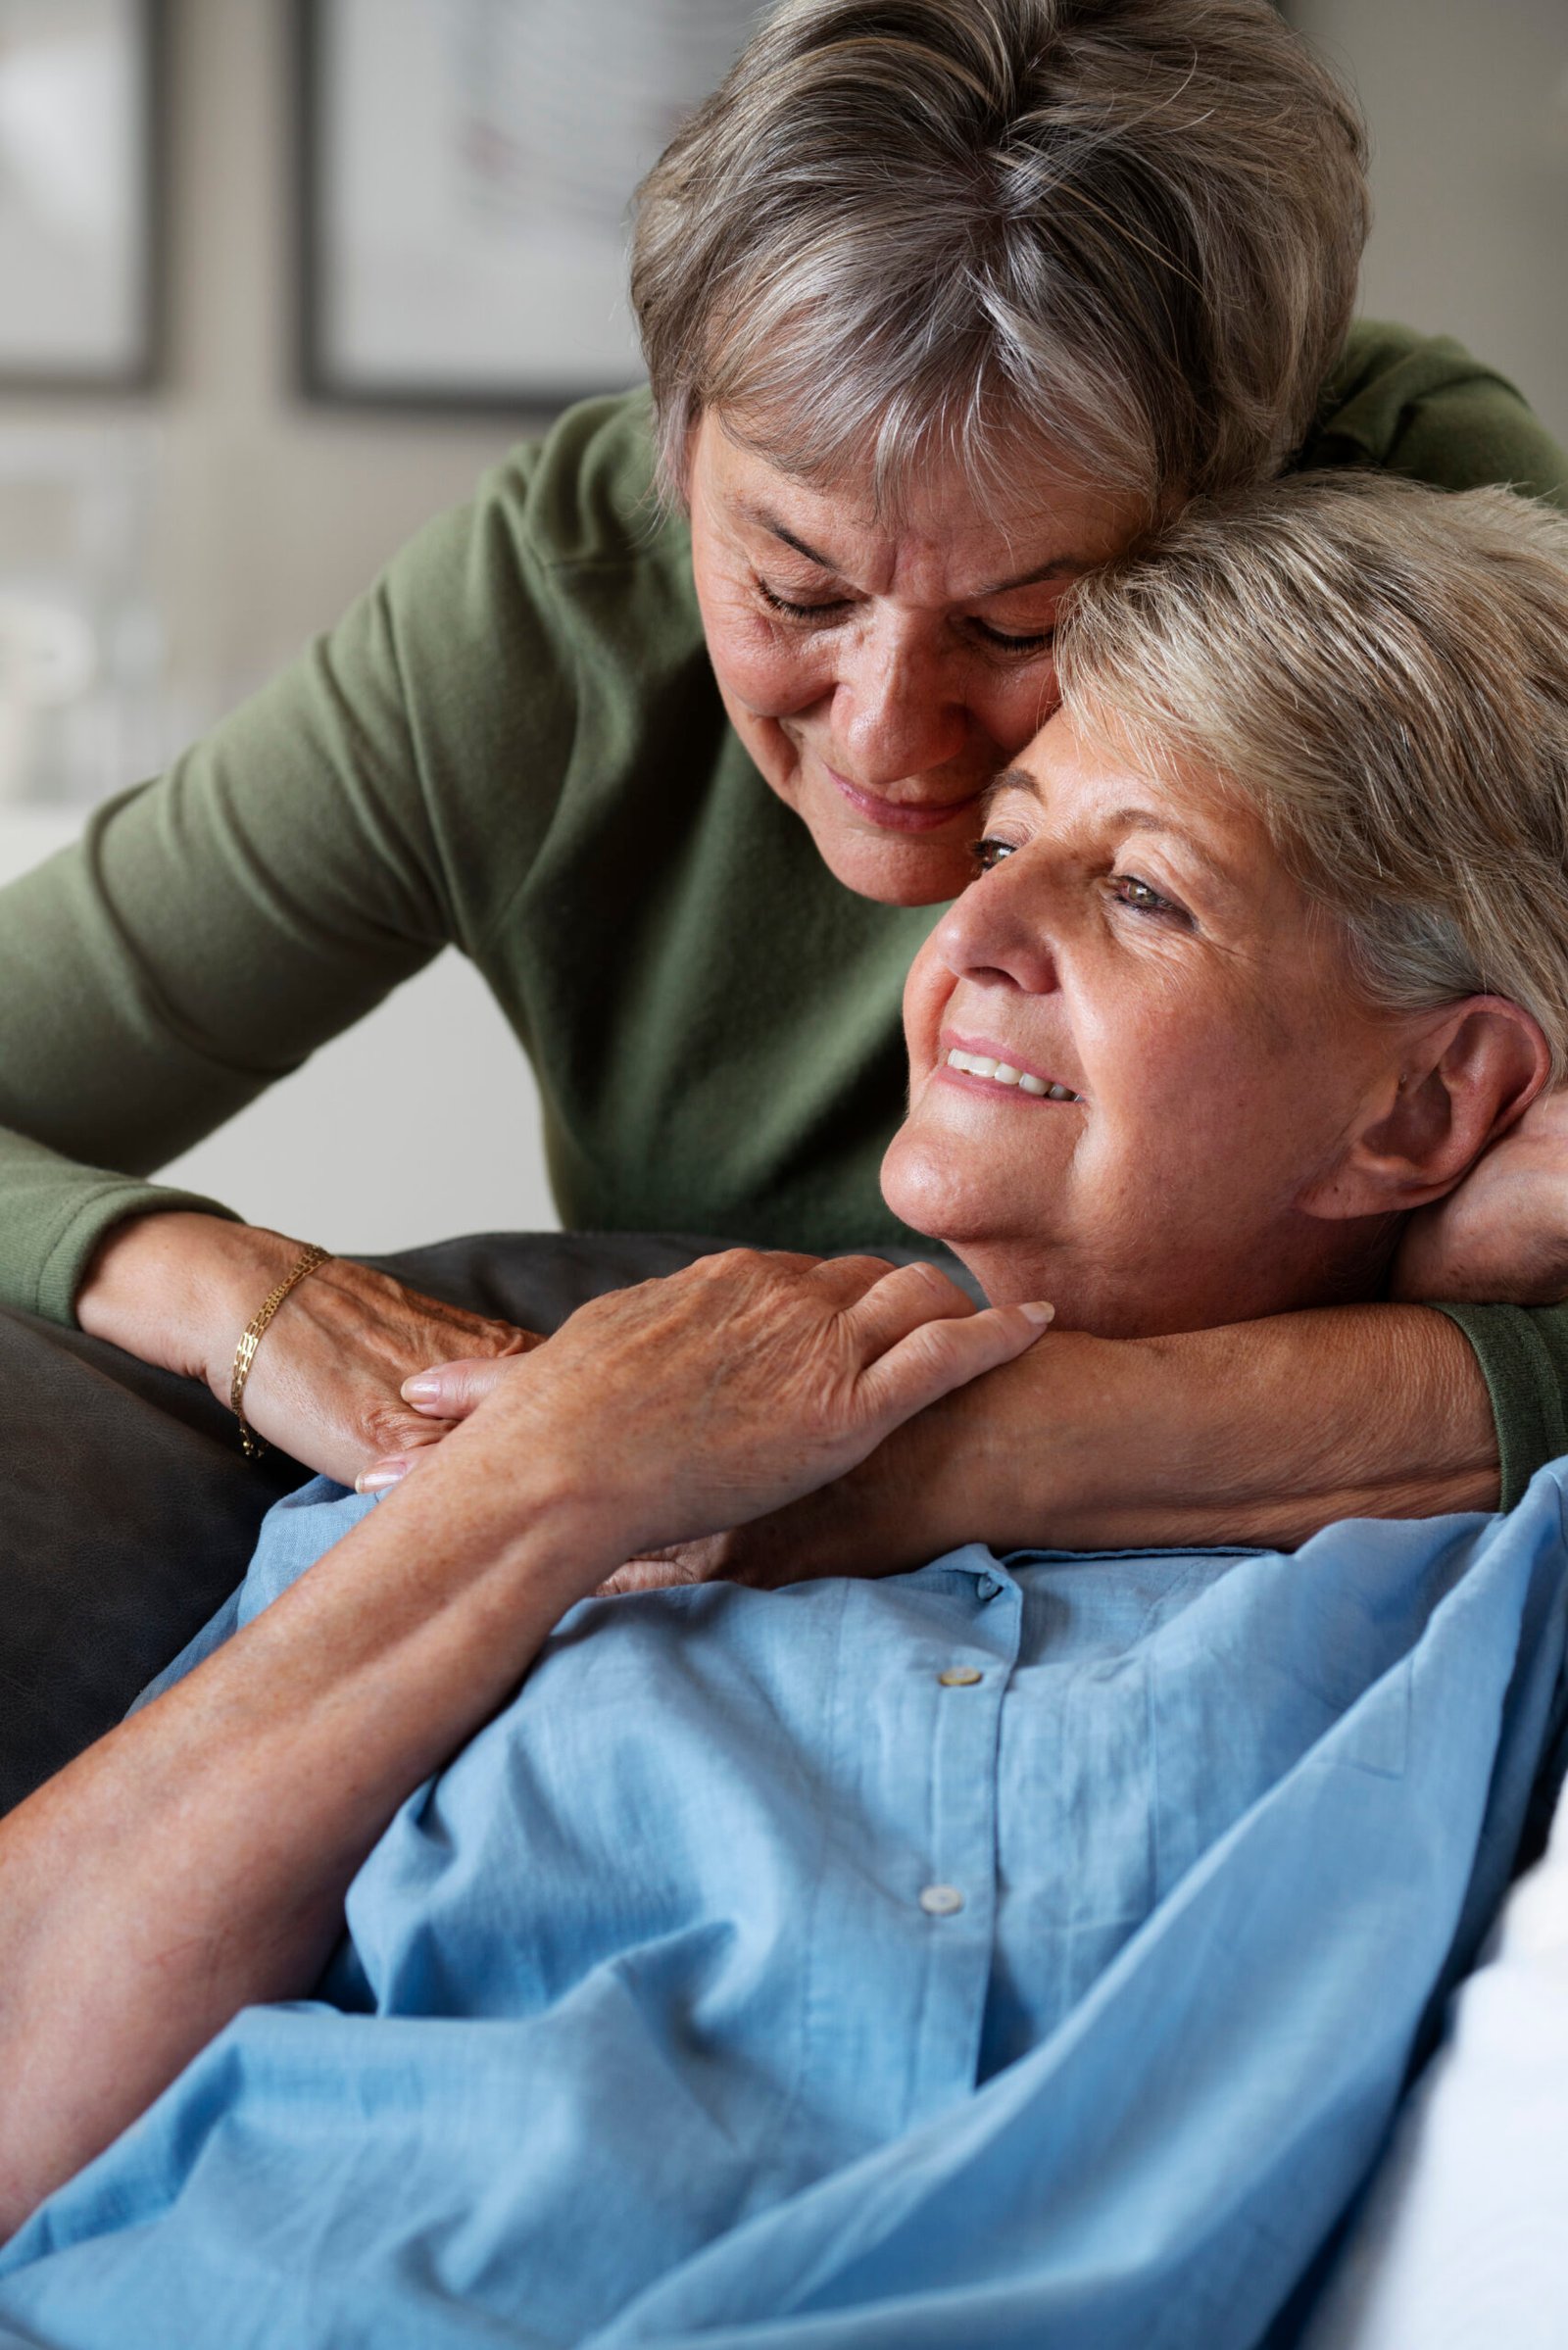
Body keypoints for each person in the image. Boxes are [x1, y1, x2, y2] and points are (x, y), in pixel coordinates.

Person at [0, 470, 1566, 2346]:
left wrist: (1477, 1246)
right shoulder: (578, 1417)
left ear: (1423, 1109)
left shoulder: (1471, 1583)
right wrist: (546, 1493)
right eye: (1003, 845)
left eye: (1143, 890)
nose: (974, 935)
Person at [4, 0, 1568, 1802]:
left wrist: (964, 1449)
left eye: (1020, 621)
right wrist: (243, 1293)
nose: (894, 735)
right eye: (795, 583)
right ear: (679, 462)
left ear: (1247, 519)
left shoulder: (1426, 557)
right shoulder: (547, 617)